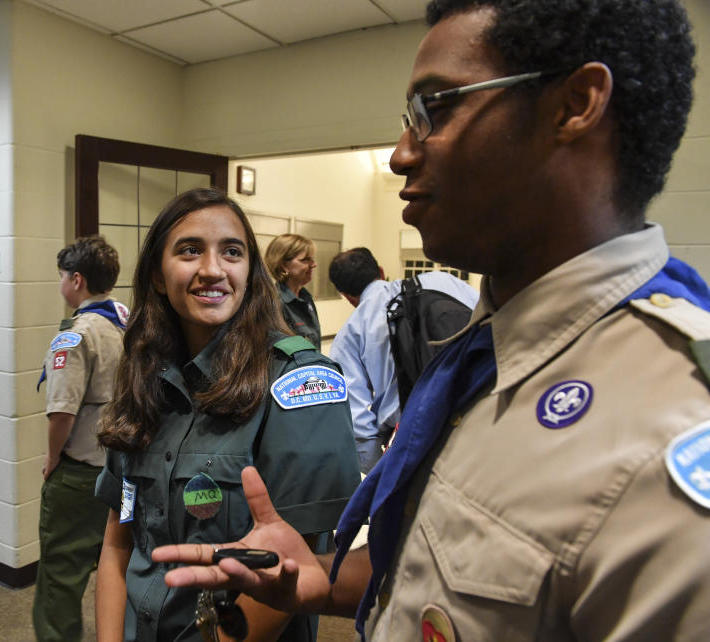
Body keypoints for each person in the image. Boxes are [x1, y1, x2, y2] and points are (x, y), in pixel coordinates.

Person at [153, 1, 710, 640]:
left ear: (574, 105)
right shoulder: (489, 356)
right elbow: (444, 565)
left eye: (434, 110)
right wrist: (325, 578)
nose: (399, 155)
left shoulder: (670, 432)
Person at [93, 188, 359, 641]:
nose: (212, 269)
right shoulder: (145, 374)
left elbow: (295, 566)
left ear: (250, 273)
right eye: (190, 250)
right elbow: (119, 542)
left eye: (231, 252)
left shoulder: (298, 383)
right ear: (158, 275)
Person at [32, 236, 128, 641]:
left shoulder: (76, 335)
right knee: (116, 560)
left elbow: (62, 411)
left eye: (61, 278)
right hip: (121, 467)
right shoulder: (126, 321)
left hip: (81, 472)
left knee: (61, 575)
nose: (60, 286)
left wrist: (53, 458)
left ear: (76, 280)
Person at [328, 248, 478, 473]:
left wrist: (381, 471)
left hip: (414, 441)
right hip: (479, 418)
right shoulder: (444, 282)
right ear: (380, 271)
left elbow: (355, 418)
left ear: (346, 295)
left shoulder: (350, 333)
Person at [265, 234, 321, 349]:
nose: (314, 264)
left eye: (312, 259)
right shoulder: (275, 303)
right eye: (305, 260)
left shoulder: (306, 298)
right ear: (283, 266)